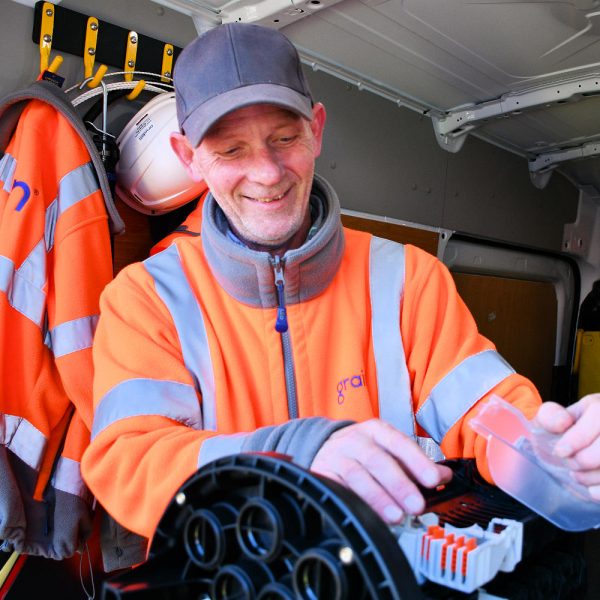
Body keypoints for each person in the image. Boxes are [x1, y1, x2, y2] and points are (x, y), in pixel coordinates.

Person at [81, 22, 600, 562]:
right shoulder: (144, 298)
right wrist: (291, 454)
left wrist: (557, 452)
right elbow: (129, 462)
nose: (266, 173)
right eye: (231, 149)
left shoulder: (410, 278)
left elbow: (491, 415)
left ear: (317, 130)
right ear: (189, 157)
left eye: (284, 138)